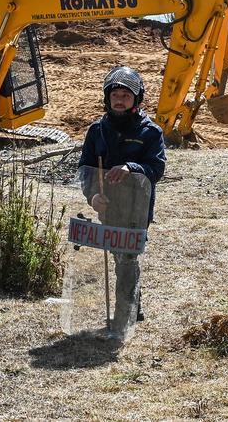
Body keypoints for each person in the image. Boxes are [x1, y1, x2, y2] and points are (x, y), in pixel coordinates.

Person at [80, 66, 166, 326]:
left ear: (136, 100)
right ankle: (133, 305)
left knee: (127, 256)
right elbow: (86, 170)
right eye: (115, 95)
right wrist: (92, 197)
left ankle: (123, 315)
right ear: (107, 98)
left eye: (125, 96)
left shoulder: (150, 132)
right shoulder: (97, 131)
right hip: (108, 206)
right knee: (120, 255)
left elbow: (157, 168)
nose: (119, 100)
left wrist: (132, 168)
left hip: (136, 208)